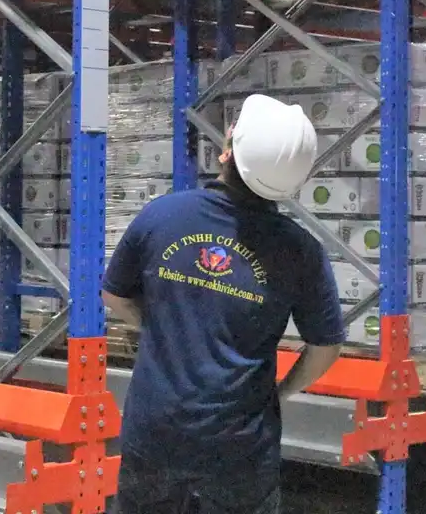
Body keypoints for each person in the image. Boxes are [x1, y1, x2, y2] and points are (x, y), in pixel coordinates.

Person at [102, 93, 345, 514]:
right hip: (241, 445)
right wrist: (281, 392)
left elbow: (113, 295)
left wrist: (160, 329)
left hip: (156, 431)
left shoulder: (162, 216)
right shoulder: (300, 251)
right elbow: (325, 347)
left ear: (228, 150)